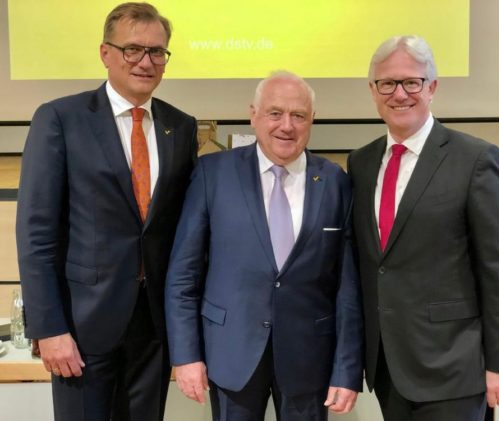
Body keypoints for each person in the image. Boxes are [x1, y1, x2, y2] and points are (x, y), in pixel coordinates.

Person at [16, 3, 198, 420]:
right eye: (133, 49)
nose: (146, 62)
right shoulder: (61, 118)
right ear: (105, 53)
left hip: (154, 327)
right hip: (81, 329)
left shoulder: (181, 126)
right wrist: (49, 328)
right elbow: (36, 232)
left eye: (157, 52)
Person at [165, 71, 363, 421]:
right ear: (253, 115)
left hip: (309, 357)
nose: (286, 126)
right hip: (231, 352)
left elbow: (347, 287)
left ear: (312, 120)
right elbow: (184, 274)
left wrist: (346, 370)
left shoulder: (335, 181)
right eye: (275, 113)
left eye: (298, 115)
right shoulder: (213, 173)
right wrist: (185, 355)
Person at [347, 35, 499, 421]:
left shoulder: (475, 159)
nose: (400, 94)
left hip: (454, 368)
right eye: (387, 83)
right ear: (373, 91)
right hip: (388, 367)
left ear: (432, 88)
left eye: (412, 82)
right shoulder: (361, 162)